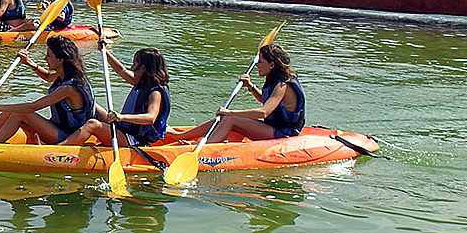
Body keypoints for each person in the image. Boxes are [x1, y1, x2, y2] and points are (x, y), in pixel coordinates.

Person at [0, 35, 95, 144]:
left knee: (21, 113)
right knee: (10, 113)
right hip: (58, 128)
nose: (45, 58)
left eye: (48, 55)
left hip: (68, 136)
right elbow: (48, 77)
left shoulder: (68, 88)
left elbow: (33, 107)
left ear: (60, 59)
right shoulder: (66, 73)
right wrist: (28, 62)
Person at [171, 42, 304, 143]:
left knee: (230, 119)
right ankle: (181, 136)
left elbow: (264, 112)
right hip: (272, 127)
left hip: (283, 133)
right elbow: (268, 101)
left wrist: (230, 112)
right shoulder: (274, 80)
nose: (257, 65)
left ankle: (202, 147)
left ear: (272, 65)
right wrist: (251, 87)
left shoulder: (283, 85)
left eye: (260, 62)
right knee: (223, 118)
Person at [65, 46, 171, 147]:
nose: (132, 68)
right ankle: (71, 133)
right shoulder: (140, 83)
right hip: (124, 129)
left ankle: (60, 148)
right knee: (92, 106)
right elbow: (121, 70)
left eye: (135, 64)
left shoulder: (155, 93)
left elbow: (150, 118)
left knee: (93, 124)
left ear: (143, 68)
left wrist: (121, 117)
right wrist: (104, 51)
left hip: (133, 139)